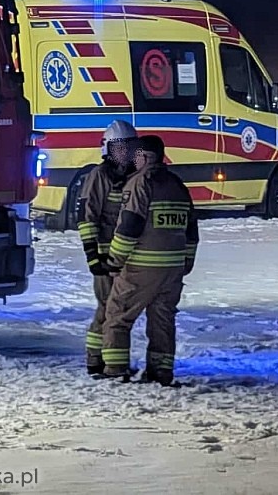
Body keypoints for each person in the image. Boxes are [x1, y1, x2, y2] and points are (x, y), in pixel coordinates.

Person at [98, 135, 199, 385]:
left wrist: (114, 261)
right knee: (163, 320)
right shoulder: (177, 185)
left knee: (117, 315)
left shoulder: (139, 184)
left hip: (141, 267)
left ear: (144, 157)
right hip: (173, 269)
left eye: (136, 156)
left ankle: (115, 369)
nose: (133, 160)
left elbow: (129, 226)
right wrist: (186, 262)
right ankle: (161, 372)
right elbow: (191, 230)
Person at [76, 119, 139, 375]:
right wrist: (93, 257)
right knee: (106, 308)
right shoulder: (99, 176)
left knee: (118, 310)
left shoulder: (135, 177)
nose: (125, 153)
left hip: (125, 257)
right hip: (104, 256)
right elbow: (87, 218)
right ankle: (96, 360)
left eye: (129, 147)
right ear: (108, 150)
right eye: (120, 148)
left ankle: (110, 360)